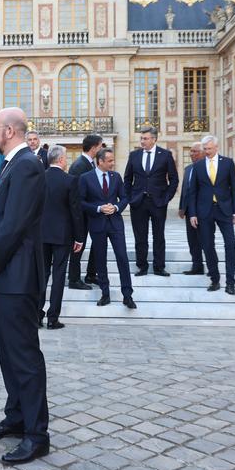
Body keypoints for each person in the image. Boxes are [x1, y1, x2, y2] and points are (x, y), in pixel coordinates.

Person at [0, 107, 50, 465]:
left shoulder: (27, 165)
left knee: (24, 356)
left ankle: (37, 434)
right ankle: (17, 416)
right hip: (7, 275)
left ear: (8, 130)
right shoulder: (10, 163)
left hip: (16, 275)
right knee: (8, 353)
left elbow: (14, 225)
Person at [79, 148, 135, 309]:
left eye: (113, 160)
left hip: (115, 224)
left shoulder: (116, 177)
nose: (113, 163)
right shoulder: (85, 178)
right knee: (100, 260)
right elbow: (81, 202)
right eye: (109, 160)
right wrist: (99, 208)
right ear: (100, 161)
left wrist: (116, 207)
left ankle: (128, 295)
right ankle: (105, 293)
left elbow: (125, 197)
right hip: (97, 224)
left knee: (122, 258)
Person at [39, 145, 85, 329]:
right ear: (60, 160)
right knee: (58, 276)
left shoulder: (38, 178)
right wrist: (79, 237)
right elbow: (76, 211)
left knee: (41, 275)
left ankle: (37, 316)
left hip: (41, 235)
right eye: (65, 158)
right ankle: (52, 318)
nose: (67, 161)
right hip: (62, 235)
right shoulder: (70, 181)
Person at [123, 126, 179, 277]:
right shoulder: (134, 155)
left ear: (154, 139)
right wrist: (129, 197)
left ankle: (159, 267)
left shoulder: (165, 155)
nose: (142, 141)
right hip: (138, 202)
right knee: (140, 236)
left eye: (145, 138)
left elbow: (174, 179)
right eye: (141, 138)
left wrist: (166, 198)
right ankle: (142, 266)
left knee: (159, 236)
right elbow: (127, 178)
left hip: (158, 202)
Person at [189, 135, 235, 295]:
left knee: (230, 244)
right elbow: (193, 191)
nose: (207, 152)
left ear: (216, 148)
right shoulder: (197, 166)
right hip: (204, 211)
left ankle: (230, 283)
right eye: (205, 149)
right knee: (207, 245)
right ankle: (215, 279)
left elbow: (234, 188)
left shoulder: (228, 163)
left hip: (224, 210)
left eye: (209, 149)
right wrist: (193, 213)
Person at [67, 134, 103, 290]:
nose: (102, 149)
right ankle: (74, 279)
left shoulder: (90, 163)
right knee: (77, 247)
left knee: (94, 244)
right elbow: (74, 195)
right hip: (81, 215)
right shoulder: (79, 165)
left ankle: (90, 275)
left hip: (90, 214)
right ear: (94, 147)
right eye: (101, 146)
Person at [179, 142, 206, 275]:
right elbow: (185, 189)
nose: (191, 154)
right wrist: (181, 207)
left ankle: (211, 267)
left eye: (195, 151)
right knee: (192, 239)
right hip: (189, 210)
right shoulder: (188, 169)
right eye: (191, 151)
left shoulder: (207, 167)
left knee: (205, 239)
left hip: (203, 210)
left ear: (203, 152)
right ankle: (197, 265)